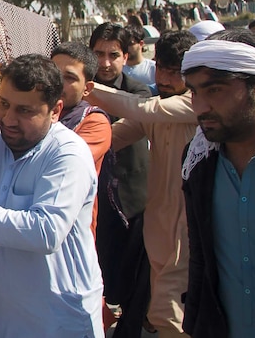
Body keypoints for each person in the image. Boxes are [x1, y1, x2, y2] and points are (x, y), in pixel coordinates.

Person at [0, 54, 103, 337]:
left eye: (25, 111)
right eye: (4, 104)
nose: (9, 119)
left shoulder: (67, 154)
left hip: (57, 318)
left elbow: (45, 232)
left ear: (56, 110)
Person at [85, 30, 200, 338]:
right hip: (157, 227)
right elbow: (112, 137)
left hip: (187, 227)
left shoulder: (194, 105)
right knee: (164, 313)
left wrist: (85, 89)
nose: (163, 77)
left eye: (174, 72)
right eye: (160, 67)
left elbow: (141, 109)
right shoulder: (157, 108)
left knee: (167, 315)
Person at [181, 38, 255, 338]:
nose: (201, 107)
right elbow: (201, 257)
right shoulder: (197, 162)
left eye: (214, 89)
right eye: (194, 92)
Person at [88, 22, 152, 334]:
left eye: (112, 54)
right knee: (101, 271)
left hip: (133, 198)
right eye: (98, 53)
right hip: (94, 199)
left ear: (125, 57)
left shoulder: (138, 92)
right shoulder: (76, 90)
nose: (104, 62)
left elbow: (127, 119)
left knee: (134, 275)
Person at [51, 41, 111, 239]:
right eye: (53, 73)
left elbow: (58, 165)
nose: (58, 83)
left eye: (69, 77)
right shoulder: (28, 113)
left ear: (87, 88)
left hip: (71, 238)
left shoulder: (95, 122)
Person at [123, 21, 156, 88]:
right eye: (124, 44)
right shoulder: (118, 69)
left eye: (130, 44)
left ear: (141, 44)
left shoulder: (153, 68)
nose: (126, 48)